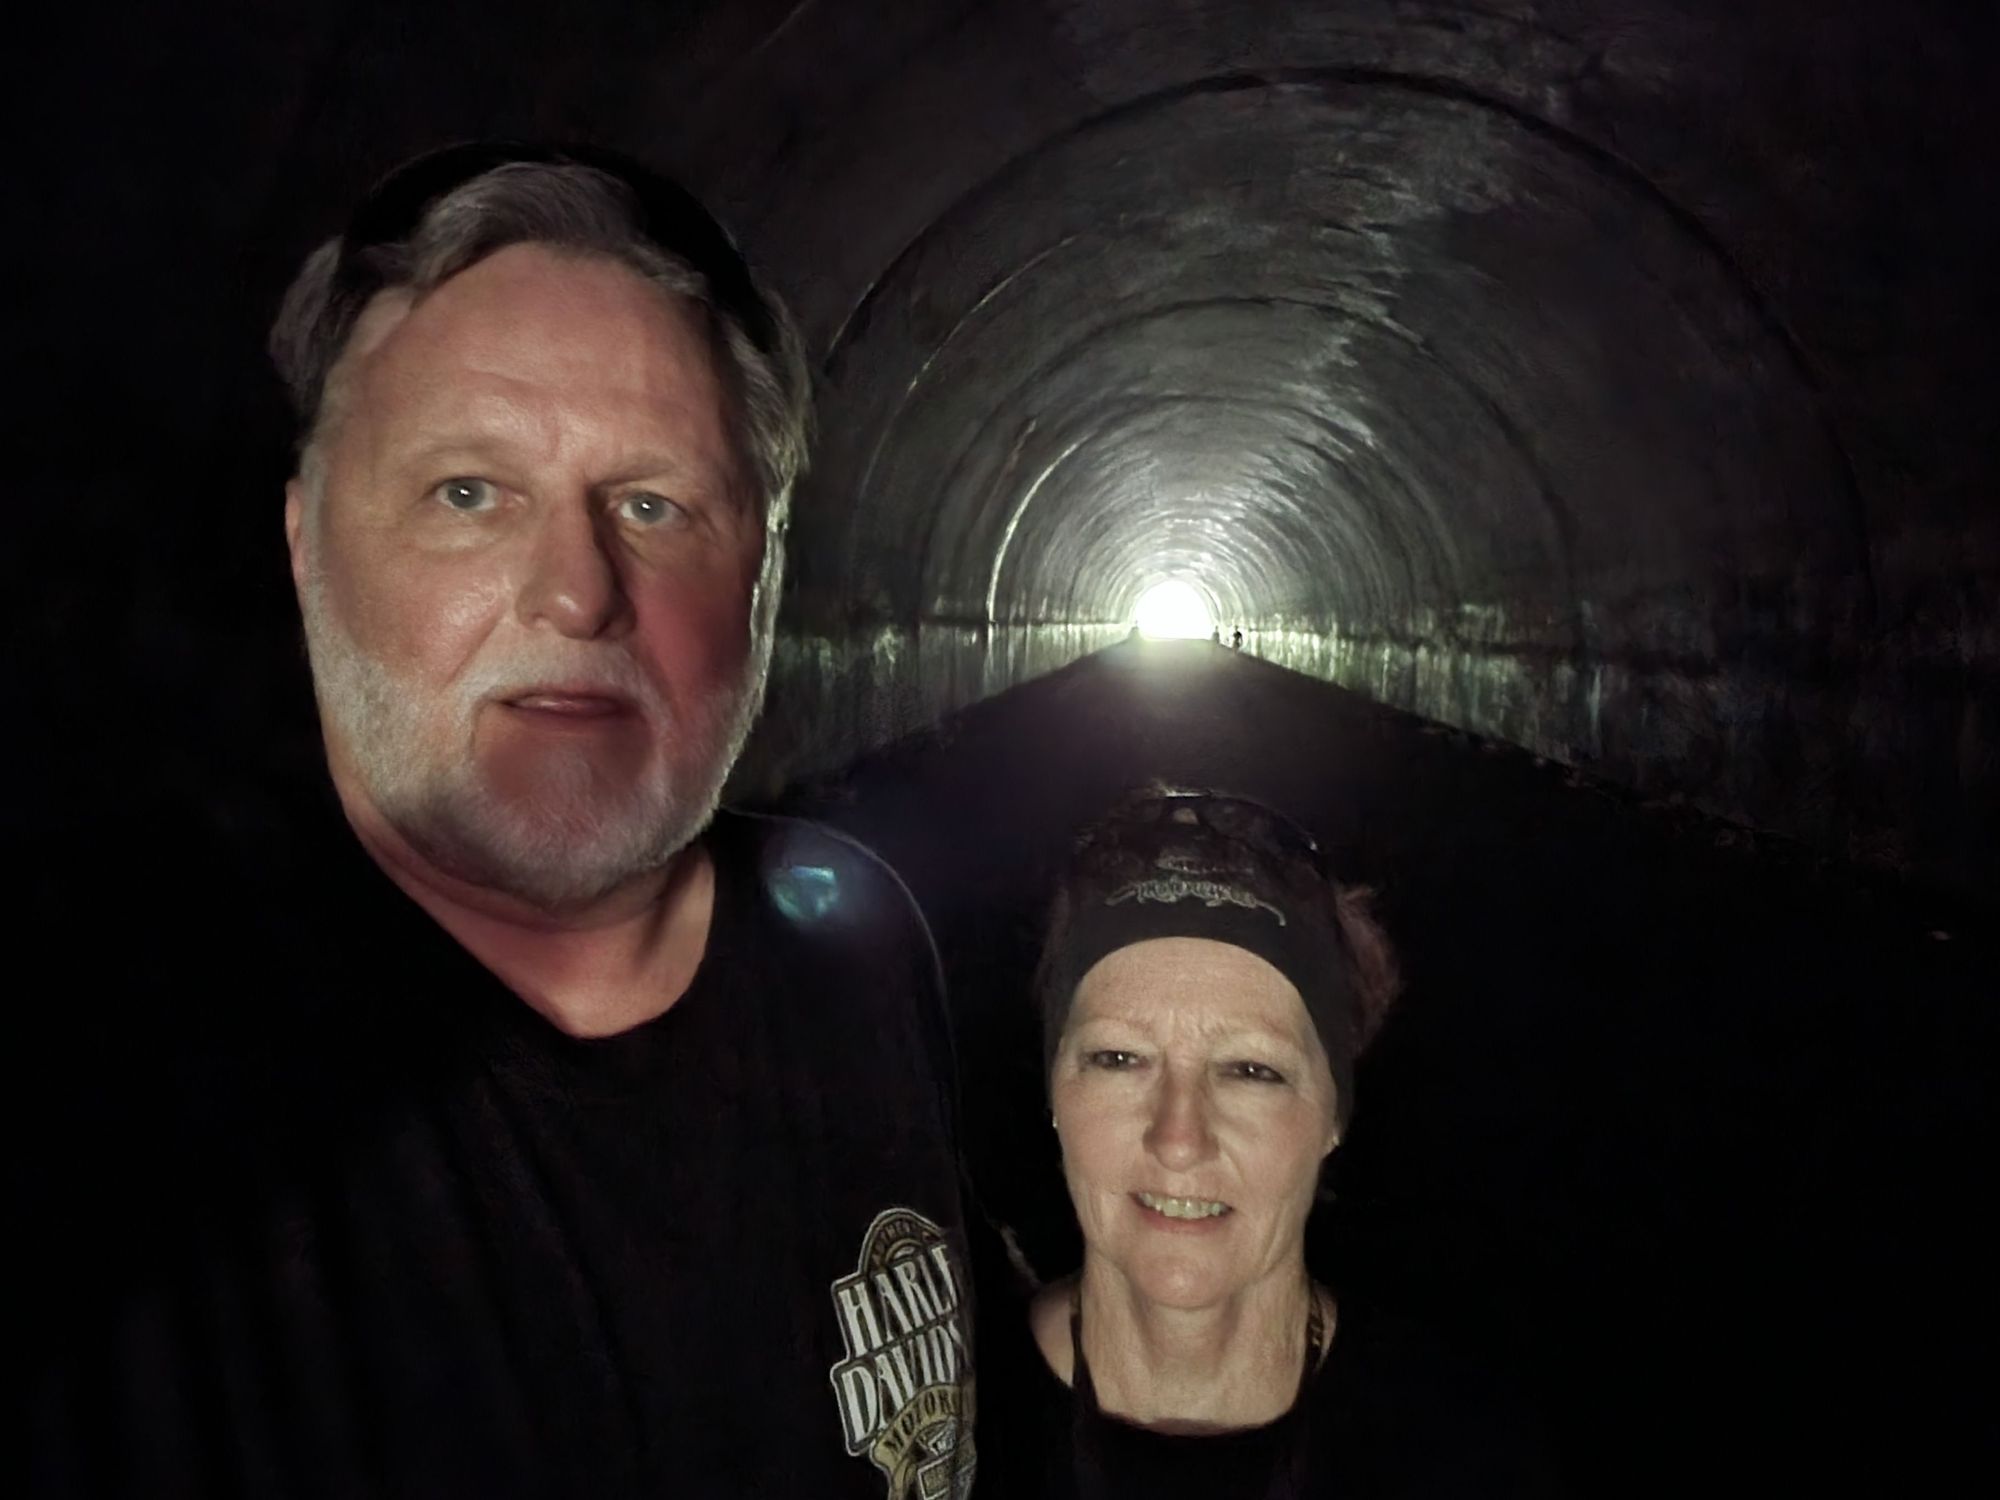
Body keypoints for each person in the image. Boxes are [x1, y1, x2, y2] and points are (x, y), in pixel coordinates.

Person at [25, 142, 974, 1499]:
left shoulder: (856, 946)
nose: (576, 591)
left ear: (765, 573)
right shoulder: (116, 1083)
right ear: (305, 544)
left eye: (652, 504)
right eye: (468, 494)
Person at [976, 788, 1555, 1497]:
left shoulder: (1466, 1452)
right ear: (1055, 1092)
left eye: (1252, 1070)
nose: (1179, 1140)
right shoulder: (934, 1427)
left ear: (1334, 1115)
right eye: (1119, 1058)